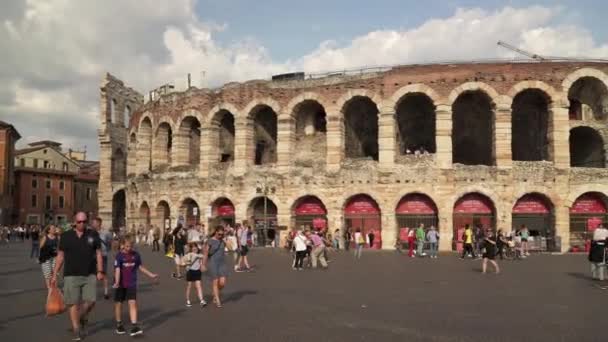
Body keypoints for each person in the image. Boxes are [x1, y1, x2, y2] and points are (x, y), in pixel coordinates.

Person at [50, 212, 104, 341]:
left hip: (89, 273)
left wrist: (100, 270)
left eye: (84, 221)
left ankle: (81, 317)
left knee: (91, 301)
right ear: (74, 222)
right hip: (71, 274)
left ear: (87, 221)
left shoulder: (93, 234)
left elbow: (98, 254)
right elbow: (60, 256)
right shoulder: (66, 236)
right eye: (79, 222)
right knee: (72, 303)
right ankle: (76, 329)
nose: (82, 224)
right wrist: (54, 273)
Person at [113, 236, 158, 336]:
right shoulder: (119, 256)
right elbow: (117, 269)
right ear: (123, 245)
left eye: (131, 246)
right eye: (127, 246)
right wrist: (116, 282)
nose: (129, 248)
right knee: (119, 303)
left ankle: (134, 326)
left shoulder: (136, 255)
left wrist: (151, 275)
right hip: (120, 283)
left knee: (132, 303)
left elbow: (140, 267)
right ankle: (119, 324)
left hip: (131, 283)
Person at [203, 226, 228, 308]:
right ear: (216, 232)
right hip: (213, 262)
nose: (220, 236)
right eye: (219, 234)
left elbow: (229, 248)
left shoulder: (223, 241)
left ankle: (215, 292)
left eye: (222, 234)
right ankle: (217, 299)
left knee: (222, 283)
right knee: (215, 281)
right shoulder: (210, 241)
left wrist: (227, 240)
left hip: (222, 263)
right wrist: (203, 264)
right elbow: (206, 253)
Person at [92, 217, 112, 300]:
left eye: (94, 223)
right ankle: (91, 292)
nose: (93, 224)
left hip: (103, 255)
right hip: (92, 256)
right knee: (92, 274)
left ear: (99, 223)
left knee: (104, 273)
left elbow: (109, 243)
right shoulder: (90, 233)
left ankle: (106, 292)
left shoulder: (106, 233)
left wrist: (106, 250)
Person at [183, 242, 207, 307]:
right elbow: (185, 262)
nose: (194, 248)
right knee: (189, 286)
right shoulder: (189, 255)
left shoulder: (199, 255)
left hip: (197, 271)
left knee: (199, 286)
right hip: (190, 271)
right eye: (193, 247)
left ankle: (201, 300)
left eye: (195, 247)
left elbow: (202, 259)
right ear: (191, 249)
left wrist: (202, 265)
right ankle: (188, 300)